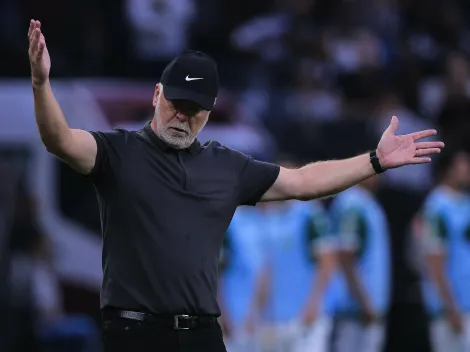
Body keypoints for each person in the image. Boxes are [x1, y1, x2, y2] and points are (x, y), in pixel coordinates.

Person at [27, 18, 444, 352]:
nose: (182, 116)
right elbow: (59, 139)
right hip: (135, 334)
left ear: (208, 113)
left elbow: (302, 181)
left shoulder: (225, 165)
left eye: (195, 110)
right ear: (156, 95)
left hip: (203, 335)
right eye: (176, 103)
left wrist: (375, 160)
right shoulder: (117, 153)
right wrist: (42, 84)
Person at [254, 184, 337, 352]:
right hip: (278, 319)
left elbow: (327, 260)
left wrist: (314, 304)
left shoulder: (309, 213)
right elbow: (267, 269)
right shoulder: (270, 217)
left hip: (307, 316)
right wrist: (259, 311)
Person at [329, 175, 391, 352]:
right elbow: (345, 257)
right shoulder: (353, 204)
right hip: (356, 307)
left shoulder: (366, 201)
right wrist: (364, 302)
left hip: (368, 304)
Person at [418, 150, 470, 352]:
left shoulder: (466, 202)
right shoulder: (436, 208)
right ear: (448, 171)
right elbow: (434, 264)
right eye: (464, 166)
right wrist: (450, 308)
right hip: (451, 309)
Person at [218, 205, 266, 352]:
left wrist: (256, 311)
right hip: (233, 317)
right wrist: (222, 314)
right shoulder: (226, 222)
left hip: (259, 318)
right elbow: (217, 273)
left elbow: (264, 271)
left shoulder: (261, 220)